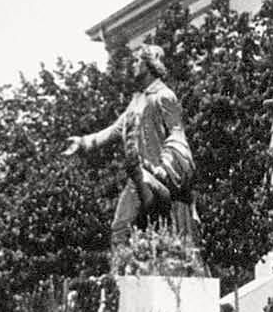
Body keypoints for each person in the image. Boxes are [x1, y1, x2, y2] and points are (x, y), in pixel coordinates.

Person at [64, 41, 197, 255]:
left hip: (156, 176)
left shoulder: (164, 96)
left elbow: (176, 133)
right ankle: (128, 272)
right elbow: (115, 130)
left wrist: (167, 168)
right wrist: (83, 143)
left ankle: (136, 269)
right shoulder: (137, 100)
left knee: (140, 228)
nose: (133, 65)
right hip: (137, 174)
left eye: (137, 60)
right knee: (123, 228)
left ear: (149, 63)